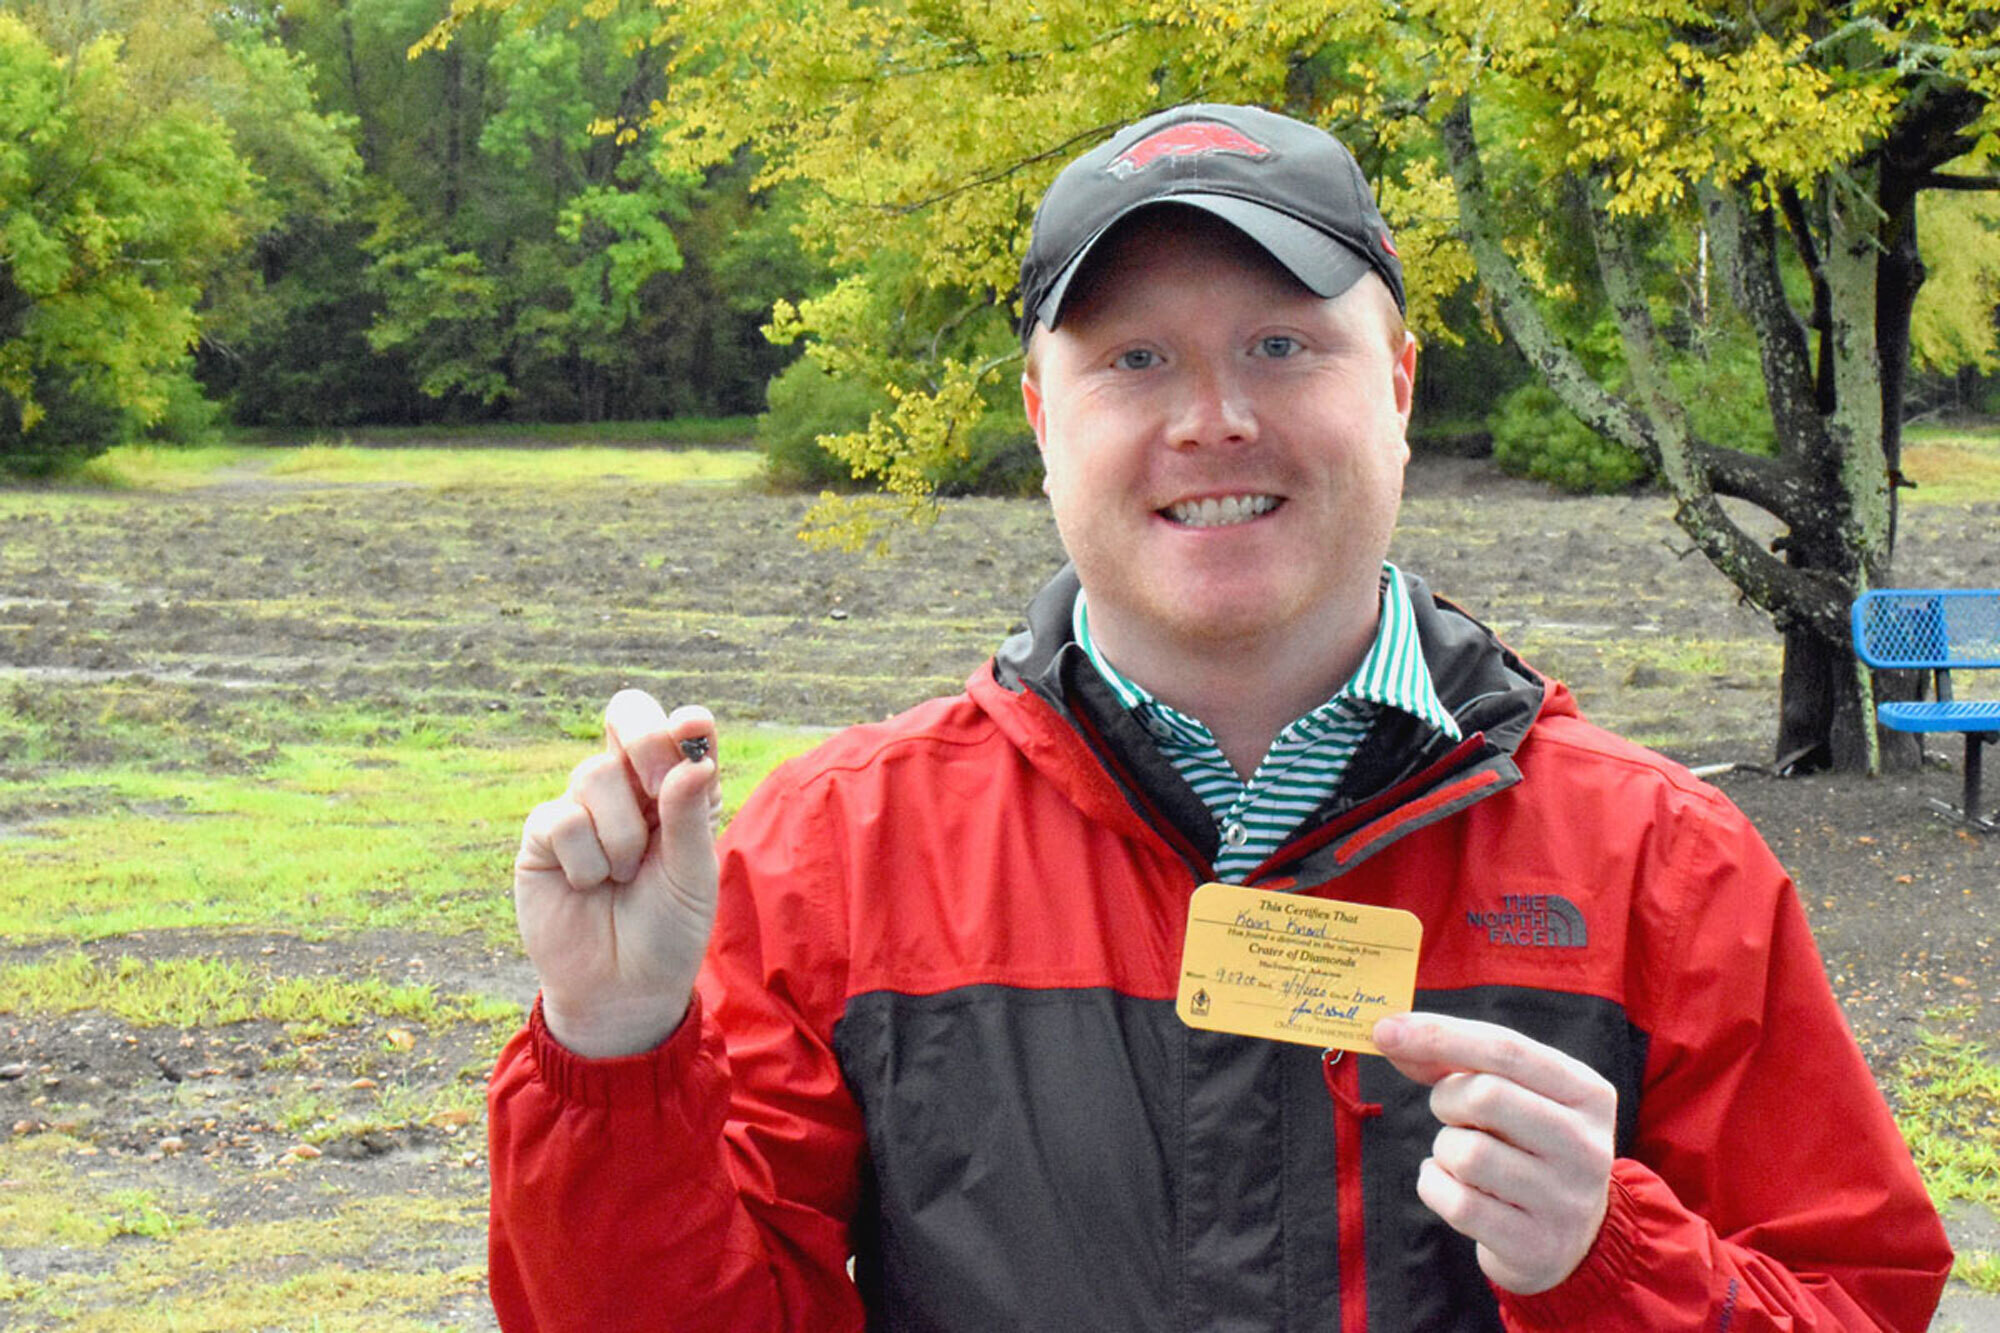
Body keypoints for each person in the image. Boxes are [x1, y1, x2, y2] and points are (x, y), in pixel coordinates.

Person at [486, 103, 1952, 1331]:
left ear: (1396, 384)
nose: (1211, 420)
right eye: (1133, 360)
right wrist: (612, 1053)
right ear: (1042, 417)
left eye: (1278, 346)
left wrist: (1614, 1264)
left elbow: (1858, 1291)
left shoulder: (1661, 865)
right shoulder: (836, 856)